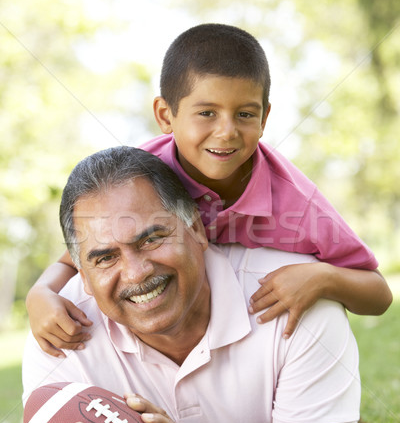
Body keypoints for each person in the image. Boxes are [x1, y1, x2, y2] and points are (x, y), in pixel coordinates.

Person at [9, 146, 361, 423]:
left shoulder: (295, 299)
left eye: (151, 239)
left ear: (195, 228)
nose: (136, 273)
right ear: (82, 275)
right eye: (105, 257)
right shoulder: (58, 334)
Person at [26, 23, 392, 358]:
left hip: (255, 335)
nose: (227, 132)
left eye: (245, 114)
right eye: (207, 113)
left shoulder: (296, 201)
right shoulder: (140, 178)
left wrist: (322, 277)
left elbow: (378, 294)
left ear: (265, 118)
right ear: (166, 116)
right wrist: (40, 293)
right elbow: (82, 255)